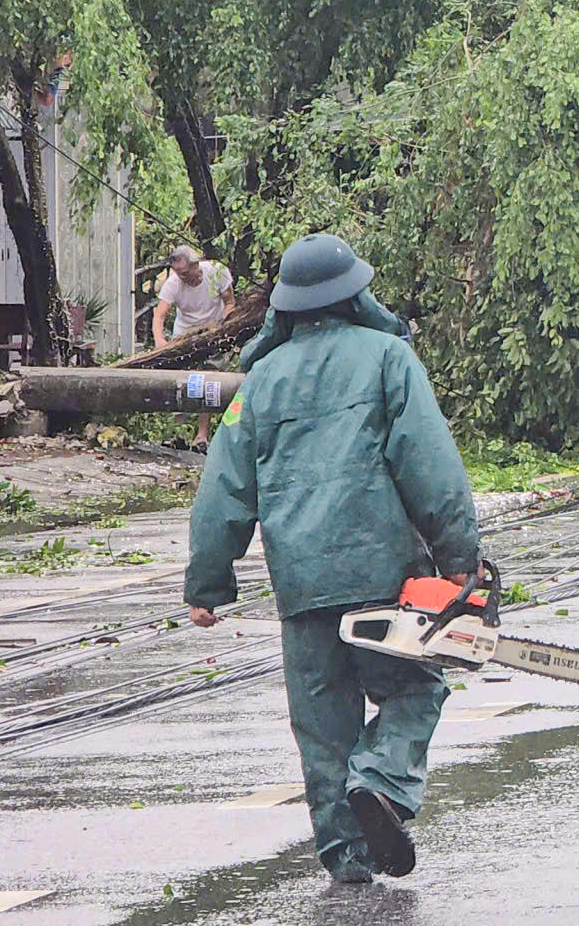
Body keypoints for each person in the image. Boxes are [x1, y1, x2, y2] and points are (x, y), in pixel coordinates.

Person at [184, 234, 479, 885]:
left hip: (303, 590)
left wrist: (208, 581)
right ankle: (379, 779)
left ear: (286, 306)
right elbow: (431, 467)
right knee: (414, 686)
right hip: (384, 578)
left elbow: (222, 489)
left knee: (323, 730)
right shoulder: (387, 358)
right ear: (355, 295)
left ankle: (349, 863)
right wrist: (460, 556)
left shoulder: (259, 381)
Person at [155, 245, 236, 445]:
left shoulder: (216, 272)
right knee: (181, 382)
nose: (182, 277)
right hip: (184, 334)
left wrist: (220, 326)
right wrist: (160, 340)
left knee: (208, 381)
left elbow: (230, 303)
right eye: (178, 274)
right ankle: (179, 433)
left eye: (184, 273)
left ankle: (201, 435)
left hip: (212, 333)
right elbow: (160, 314)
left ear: (195, 265)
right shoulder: (173, 283)